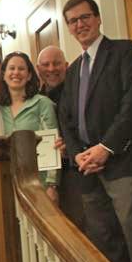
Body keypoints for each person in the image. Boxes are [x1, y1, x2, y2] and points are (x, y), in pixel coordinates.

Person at [58, 0, 132, 262]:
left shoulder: (125, 52)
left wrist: (106, 148)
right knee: (106, 243)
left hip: (123, 163)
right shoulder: (73, 70)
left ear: (98, 18)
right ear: (69, 29)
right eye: (73, 21)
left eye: (85, 17)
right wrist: (77, 154)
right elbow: (66, 118)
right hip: (88, 170)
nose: (80, 24)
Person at [0, 52, 60, 201]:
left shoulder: (42, 103)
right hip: (7, 184)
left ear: (30, 75)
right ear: (4, 74)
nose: (16, 73)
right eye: (11, 68)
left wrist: (52, 185)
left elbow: (52, 145)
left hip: (39, 183)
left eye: (21, 69)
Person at [37, 46, 85, 229]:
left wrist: (72, 147)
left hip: (76, 173)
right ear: (38, 69)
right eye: (45, 65)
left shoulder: (79, 92)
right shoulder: (35, 99)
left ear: (66, 65)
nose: (51, 69)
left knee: (78, 226)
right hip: (45, 177)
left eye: (56, 63)